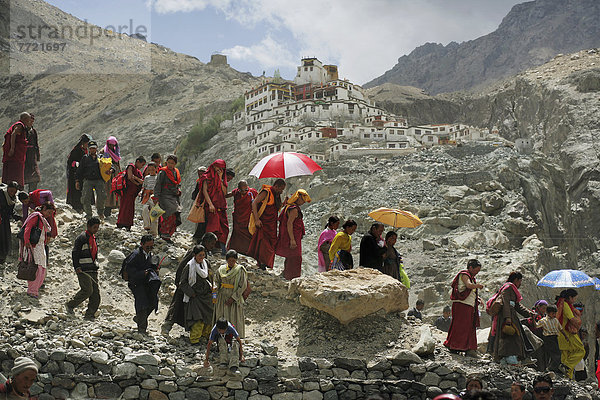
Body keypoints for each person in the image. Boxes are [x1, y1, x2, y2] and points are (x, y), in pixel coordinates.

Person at [161, 233, 217, 336]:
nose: (213, 246)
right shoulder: (194, 252)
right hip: (185, 285)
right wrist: (180, 284)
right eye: (212, 243)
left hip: (197, 290)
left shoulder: (204, 255)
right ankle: (166, 328)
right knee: (177, 307)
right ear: (206, 242)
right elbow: (183, 266)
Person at [488, 271, 536, 365]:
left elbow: (517, 305)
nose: (520, 284)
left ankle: (511, 359)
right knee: (510, 337)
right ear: (516, 280)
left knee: (514, 337)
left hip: (510, 315)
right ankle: (508, 359)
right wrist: (507, 317)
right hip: (506, 316)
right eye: (520, 281)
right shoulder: (508, 287)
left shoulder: (511, 289)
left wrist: (529, 313)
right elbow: (506, 302)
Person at [444, 259, 483, 357]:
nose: (477, 273)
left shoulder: (472, 277)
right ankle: (455, 346)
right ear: (470, 268)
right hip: (462, 304)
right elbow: (468, 286)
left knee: (469, 326)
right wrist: (478, 286)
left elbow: (470, 291)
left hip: (468, 305)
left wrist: (477, 298)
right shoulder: (465, 275)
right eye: (476, 270)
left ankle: (469, 348)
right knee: (460, 325)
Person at [65, 217, 101, 320]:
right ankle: (70, 304)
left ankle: (89, 315)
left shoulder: (93, 238)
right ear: (88, 226)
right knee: (87, 290)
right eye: (94, 227)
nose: (96, 229)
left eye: (97, 227)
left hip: (92, 269)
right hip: (83, 269)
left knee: (96, 295)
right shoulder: (82, 238)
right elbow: (75, 253)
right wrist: (77, 266)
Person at [125, 235, 161, 334]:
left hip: (145, 282)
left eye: (151, 247)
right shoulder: (136, 255)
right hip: (136, 283)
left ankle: (139, 318)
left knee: (154, 300)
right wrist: (142, 273)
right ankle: (142, 329)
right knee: (142, 304)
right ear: (142, 244)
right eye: (147, 247)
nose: (149, 249)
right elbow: (129, 269)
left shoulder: (149, 254)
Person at [247, 179, 286, 269]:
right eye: (281, 189)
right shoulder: (266, 192)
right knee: (263, 243)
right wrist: (256, 219)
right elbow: (254, 203)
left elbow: (275, 208)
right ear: (276, 186)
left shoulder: (276, 195)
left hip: (271, 225)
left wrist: (284, 203)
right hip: (264, 223)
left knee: (271, 244)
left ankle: (265, 263)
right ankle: (261, 263)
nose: (281, 191)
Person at [179, 245, 214, 344]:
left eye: (203, 255)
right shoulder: (189, 266)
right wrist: (192, 293)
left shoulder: (206, 264)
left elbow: (210, 277)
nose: (202, 257)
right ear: (194, 255)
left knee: (209, 317)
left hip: (206, 296)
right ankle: (195, 339)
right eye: (200, 255)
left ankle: (205, 336)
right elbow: (183, 283)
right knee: (197, 319)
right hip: (195, 297)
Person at [20, 202, 55, 298]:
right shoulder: (36, 216)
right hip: (34, 246)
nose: (49, 215)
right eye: (48, 212)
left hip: (40, 246)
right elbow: (28, 228)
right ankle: (32, 291)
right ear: (43, 208)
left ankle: (35, 289)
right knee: (36, 268)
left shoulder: (42, 219)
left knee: (42, 269)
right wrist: (27, 241)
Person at [275, 189, 311, 280]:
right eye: (303, 200)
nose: (303, 202)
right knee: (295, 257)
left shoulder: (289, 206)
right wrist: (292, 239)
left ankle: (287, 275)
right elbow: (289, 223)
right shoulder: (294, 209)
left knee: (290, 256)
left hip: (293, 236)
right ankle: (292, 277)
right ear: (298, 198)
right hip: (293, 236)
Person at [213, 250, 247, 338]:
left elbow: (242, 285)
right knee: (221, 315)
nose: (231, 262)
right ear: (226, 260)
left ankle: (234, 336)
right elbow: (216, 280)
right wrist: (215, 287)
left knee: (234, 317)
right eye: (229, 260)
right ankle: (218, 336)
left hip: (234, 298)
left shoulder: (240, 270)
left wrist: (233, 298)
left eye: (233, 260)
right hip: (222, 296)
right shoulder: (221, 270)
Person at [197, 160, 229, 252]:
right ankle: (208, 248)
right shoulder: (206, 176)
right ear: (213, 166)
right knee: (213, 227)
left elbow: (225, 192)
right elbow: (205, 191)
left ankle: (220, 248)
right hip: (211, 206)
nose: (219, 169)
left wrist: (220, 178)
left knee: (224, 228)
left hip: (221, 206)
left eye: (222, 168)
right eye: (218, 167)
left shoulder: (222, 178)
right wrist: (210, 204)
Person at [555, 288, 585, 379]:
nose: (574, 301)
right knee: (581, 350)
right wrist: (578, 322)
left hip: (561, 334)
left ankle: (568, 378)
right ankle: (566, 366)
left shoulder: (561, 303)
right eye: (574, 298)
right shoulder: (565, 305)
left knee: (565, 356)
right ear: (570, 297)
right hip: (568, 334)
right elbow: (571, 318)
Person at [154, 155, 181, 243]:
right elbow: (158, 184)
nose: (170, 165)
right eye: (168, 163)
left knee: (175, 214)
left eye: (172, 163)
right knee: (170, 211)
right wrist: (156, 196)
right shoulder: (163, 172)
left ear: (175, 164)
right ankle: (163, 233)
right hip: (164, 196)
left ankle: (169, 234)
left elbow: (177, 184)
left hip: (173, 196)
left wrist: (178, 191)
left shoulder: (176, 172)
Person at [76, 141, 106, 220]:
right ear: (89, 149)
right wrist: (77, 181)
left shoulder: (101, 157)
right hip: (88, 180)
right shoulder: (85, 158)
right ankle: (88, 214)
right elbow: (79, 170)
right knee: (86, 198)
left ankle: (100, 213)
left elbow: (109, 165)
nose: (92, 150)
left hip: (99, 180)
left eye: (94, 148)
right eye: (91, 148)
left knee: (101, 196)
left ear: (96, 148)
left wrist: (111, 170)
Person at [227, 180, 258, 255]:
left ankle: (248, 251)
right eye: (242, 190)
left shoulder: (252, 192)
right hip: (238, 218)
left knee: (248, 234)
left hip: (247, 218)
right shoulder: (236, 192)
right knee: (237, 234)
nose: (244, 192)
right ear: (238, 189)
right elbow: (228, 195)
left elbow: (259, 200)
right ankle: (236, 250)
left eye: (246, 190)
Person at [2, 112, 32, 189]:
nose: (29, 123)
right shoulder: (20, 125)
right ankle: (15, 187)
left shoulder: (19, 125)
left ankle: (10, 186)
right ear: (24, 119)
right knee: (15, 172)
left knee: (11, 171)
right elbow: (13, 134)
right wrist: (12, 149)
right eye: (28, 121)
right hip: (15, 154)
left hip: (17, 154)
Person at [536, 304, 569, 374]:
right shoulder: (543, 320)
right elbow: (536, 326)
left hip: (554, 337)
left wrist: (566, 336)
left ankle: (552, 368)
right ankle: (552, 368)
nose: (554, 315)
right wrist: (533, 318)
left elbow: (561, 329)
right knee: (556, 353)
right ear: (548, 313)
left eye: (555, 313)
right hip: (548, 338)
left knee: (555, 353)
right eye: (553, 313)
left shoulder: (555, 320)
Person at [116, 156, 146, 230]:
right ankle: (121, 223)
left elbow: (142, 181)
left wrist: (136, 179)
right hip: (127, 191)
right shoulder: (131, 166)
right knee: (124, 207)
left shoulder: (138, 171)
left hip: (132, 193)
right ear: (137, 162)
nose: (142, 167)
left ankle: (128, 224)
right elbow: (129, 177)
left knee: (130, 208)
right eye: (142, 165)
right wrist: (136, 183)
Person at [66, 134, 91, 212]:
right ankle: (77, 206)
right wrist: (78, 164)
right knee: (76, 190)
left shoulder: (86, 151)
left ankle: (82, 206)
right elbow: (70, 162)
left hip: (83, 173)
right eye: (87, 143)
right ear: (83, 143)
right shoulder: (76, 150)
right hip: (75, 173)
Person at [99, 136, 122, 218]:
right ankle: (106, 210)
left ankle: (115, 208)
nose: (111, 147)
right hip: (107, 174)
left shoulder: (116, 152)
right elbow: (101, 162)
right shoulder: (103, 151)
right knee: (108, 191)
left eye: (113, 145)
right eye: (110, 145)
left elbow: (117, 163)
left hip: (115, 174)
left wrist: (120, 172)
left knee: (116, 191)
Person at [0, 182, 21, 265]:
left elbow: (11, 211)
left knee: (4, 239)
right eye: (11, 190)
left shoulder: (12, 199)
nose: (12, 193)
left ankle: (2, 259)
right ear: (8, 188)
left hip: (4, 221)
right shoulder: (1, 194)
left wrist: (18, 217)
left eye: (14, 191)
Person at [140, 162, 159, 237]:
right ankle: (147, 226)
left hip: (155, 197)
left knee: (154, 215)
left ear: (156, 169)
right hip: (147, 196)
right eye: (149, 169)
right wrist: (141, 192)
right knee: (145, 209)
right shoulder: (146, 178)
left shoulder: (158, 178)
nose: (151, 170)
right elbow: (144, 187)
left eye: (153, 169)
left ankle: (154, 233)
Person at [24, 113, 41, 191]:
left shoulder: (33, 131)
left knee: (35, 177)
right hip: (24, 156)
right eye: (30, 121)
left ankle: (32, 194)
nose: (31, 123)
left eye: (32, 121)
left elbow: (36, 144)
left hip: (32, 157)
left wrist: (37, 155)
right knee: (22, 176)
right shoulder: (22, 130)